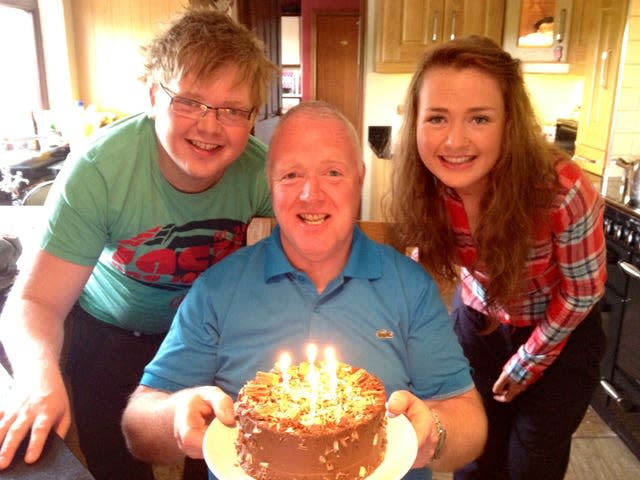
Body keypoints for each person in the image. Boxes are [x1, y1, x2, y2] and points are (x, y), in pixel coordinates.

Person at [120, 101, 488, 480]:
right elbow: (139, 425)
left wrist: (436, 433)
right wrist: (175, 414)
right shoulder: (218, 289)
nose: (311, 195)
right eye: (292, 175)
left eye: (332, 172)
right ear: (271, 184)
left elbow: (468, 419)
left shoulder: (411, 287)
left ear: (359, 178)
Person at [0, 7, 277, 480]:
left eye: (232, 110)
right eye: (189, 101)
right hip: (110, 332)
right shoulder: (100, 171)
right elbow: (35, 300)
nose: (210, 128)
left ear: (252, 117)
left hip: (208, 337)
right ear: (153, 96)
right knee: (115, 459)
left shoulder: (262, 173)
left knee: (217, 456)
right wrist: (38, 374)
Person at [386, 35, 606, 480]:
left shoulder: (561, 190)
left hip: (559, 334)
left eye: (480, 118)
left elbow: (584, 290)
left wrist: (529, 360)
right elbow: (423, 253)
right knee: (475, 456)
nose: (454, 140)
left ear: (510, 122)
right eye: (437, 118)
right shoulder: (428, 183)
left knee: (531, 461)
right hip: (479, 322)